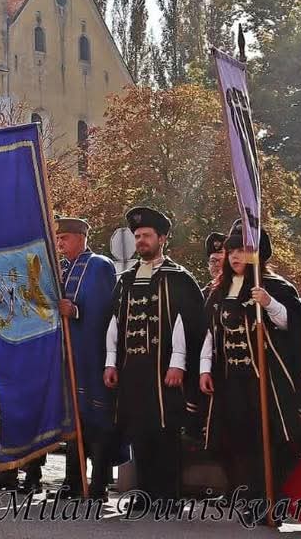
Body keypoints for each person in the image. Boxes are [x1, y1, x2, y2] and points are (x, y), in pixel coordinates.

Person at [199, 225, 301, 519]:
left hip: (265, 381)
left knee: (269, 439)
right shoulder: (219, 290)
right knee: (239, 439)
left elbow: (292, 325)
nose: (235, 257)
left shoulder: (275, 287)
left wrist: (269, 304)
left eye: (242, 251)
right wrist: (205, 369)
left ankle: (273, 502)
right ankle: (251, 495)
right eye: (231, 251)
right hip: (231, 379)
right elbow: (211, 332)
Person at [103, 206, 205, 503]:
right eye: (137, 236)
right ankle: (144, 493)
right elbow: (114, 323)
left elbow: (185, 324)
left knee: (165, 432)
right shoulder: (126, 279)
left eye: (146, 235)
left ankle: (167, 496)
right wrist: (111, 362)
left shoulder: (179, 278)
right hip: (132, 370)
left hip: (164, 371)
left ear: (162, 238)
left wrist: (178, 364)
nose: (141, 241)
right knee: (139, 431)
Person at [55, 216, 118, 498]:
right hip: (69, 357)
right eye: (58, 238)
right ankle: (72, 479)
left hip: (94, 356)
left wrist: (76, 311)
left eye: (64, 238)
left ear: (81, 237)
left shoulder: (100, 266)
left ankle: (99, 482)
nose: (59, 244)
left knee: (97, 419)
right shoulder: (62, 269)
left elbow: (107, 311)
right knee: (73, 419)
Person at [201, 232, 226, 301]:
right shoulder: (202, 295)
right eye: (213, 261)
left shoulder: (237, 289)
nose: (217, 265)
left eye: (221, 261)